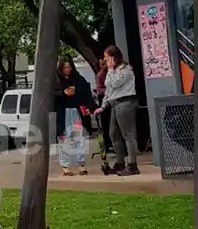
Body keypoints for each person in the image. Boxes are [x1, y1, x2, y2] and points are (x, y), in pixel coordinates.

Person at [94, 45, 140, 175]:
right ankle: (120, 162)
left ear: (114, 57)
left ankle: (133, 165)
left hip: (125, 102)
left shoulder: (126, 69)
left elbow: (115, 84)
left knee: (128, 134)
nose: (105, 60)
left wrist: (110, 69)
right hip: (115, 103)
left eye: (107, 58)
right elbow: (109, 89)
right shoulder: (111, 71)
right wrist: (103, 106)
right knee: (113, 134)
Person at [54, 58, 95, 176]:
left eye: (69, 67)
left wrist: (87, 105)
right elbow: (51, 94)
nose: (67, 70)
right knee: (64, 138)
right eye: (65, 68)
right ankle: (65, 166)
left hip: (76, 112)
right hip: (63, 113)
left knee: (79, 137)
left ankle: (81, 164)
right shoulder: (56, 80)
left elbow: (86, 92)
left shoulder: (78, 79)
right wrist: (63, 93)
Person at [95, 61, 113, 153]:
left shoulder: (113, 72)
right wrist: (109, 90)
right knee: (106, 125)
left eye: (105, 64)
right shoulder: (100, 75)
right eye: (102, 64)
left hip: (112, 100)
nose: (104, 66)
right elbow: (99, 90)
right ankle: (107, 145)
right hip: (105, 100)